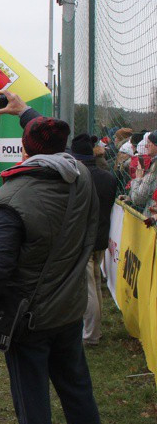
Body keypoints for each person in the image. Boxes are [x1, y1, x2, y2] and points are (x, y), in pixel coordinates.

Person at [0, 91, 106, 424]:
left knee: (32, 402)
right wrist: (25, 110)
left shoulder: (14, 196)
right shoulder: (81, 177)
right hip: (69, 308)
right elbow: (51, 141)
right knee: (77, 389)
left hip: (28, 318)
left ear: (25, 150)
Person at [69, 134, 117, 346]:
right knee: (95, 283)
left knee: (87, 287)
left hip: (83, 239)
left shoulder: (76, 177)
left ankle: (90, 335)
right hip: (100, 237)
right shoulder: (108, 177)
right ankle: (94, 330)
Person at [126, 130, 157, 213]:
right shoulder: (152, 163)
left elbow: (137, 198)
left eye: (149, 142)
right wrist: (129, 197)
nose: (146, 146)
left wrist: (138, 178)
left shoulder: (155, 168)